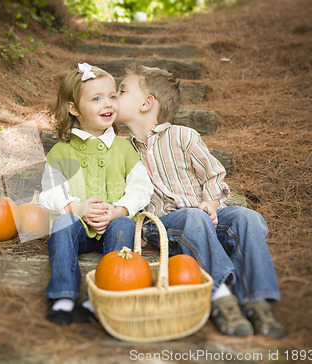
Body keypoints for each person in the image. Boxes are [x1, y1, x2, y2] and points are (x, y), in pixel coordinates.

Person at [115, 63, 285, 338]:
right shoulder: (121, 150)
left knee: (247, 217)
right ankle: (221, 296)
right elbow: (123, 195)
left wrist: (212, 203)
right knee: (193, 217)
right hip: (164, 225)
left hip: (207, 215)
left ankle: (257, 301)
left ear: (147, 103)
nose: (114, 95)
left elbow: (213, 176)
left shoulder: (184, 137)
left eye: (121, 91)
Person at [39, 63, 153, 326]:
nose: (108, 104)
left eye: (112, 96)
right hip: (78, 227)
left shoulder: (124, 150)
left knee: (125, 225)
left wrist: (119, 210)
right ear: (74, 108)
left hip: (113, 225)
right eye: (97, 99)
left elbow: (141, 186)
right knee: (62, 223)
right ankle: (64, 298)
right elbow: (50, 191)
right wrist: (76, 208)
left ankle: (104, 295)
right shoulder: (62, 151)